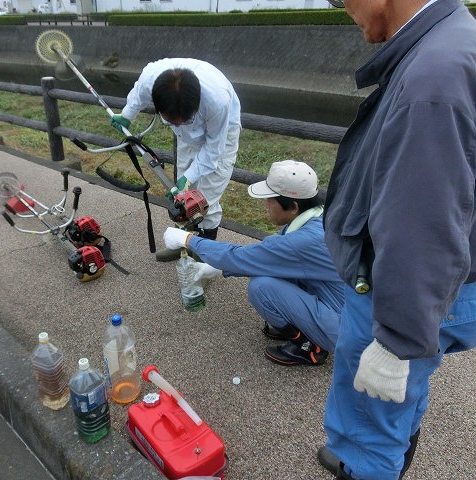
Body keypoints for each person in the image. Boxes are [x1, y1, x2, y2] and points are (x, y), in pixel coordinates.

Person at [318, 0, 476, 478]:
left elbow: (423, 222)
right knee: (404, 393)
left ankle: (365, 464)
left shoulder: (432, 77)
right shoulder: (454, 36)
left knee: (368, 426)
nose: (341, 7)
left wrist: (396, 340)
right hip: (447, 286)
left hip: (396, 292)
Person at [163, 160, 344, 366]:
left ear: (293, 206)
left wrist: (187, 240)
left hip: (344, 327)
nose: (266, 204)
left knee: (262, 288)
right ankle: (301, 324)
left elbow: (242, 257)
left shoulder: (305, 240)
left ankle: (310, 346)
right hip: (345, 307)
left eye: (270, 200)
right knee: (270, 274)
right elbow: (268, 254)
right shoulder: (317, 218)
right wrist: (217, 269)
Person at [111, 58, 241, 261]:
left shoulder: (218, 102)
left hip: (221, 133)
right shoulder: (151, 78)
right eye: (171, 122)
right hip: (188, 133)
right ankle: (184, 243)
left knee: (205, 199)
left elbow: (214, 149)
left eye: (183, 121)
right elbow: (139, 93)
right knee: (183, 195)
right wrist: (127, 114)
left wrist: (190, 175)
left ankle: (204, 259)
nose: (177, 125)